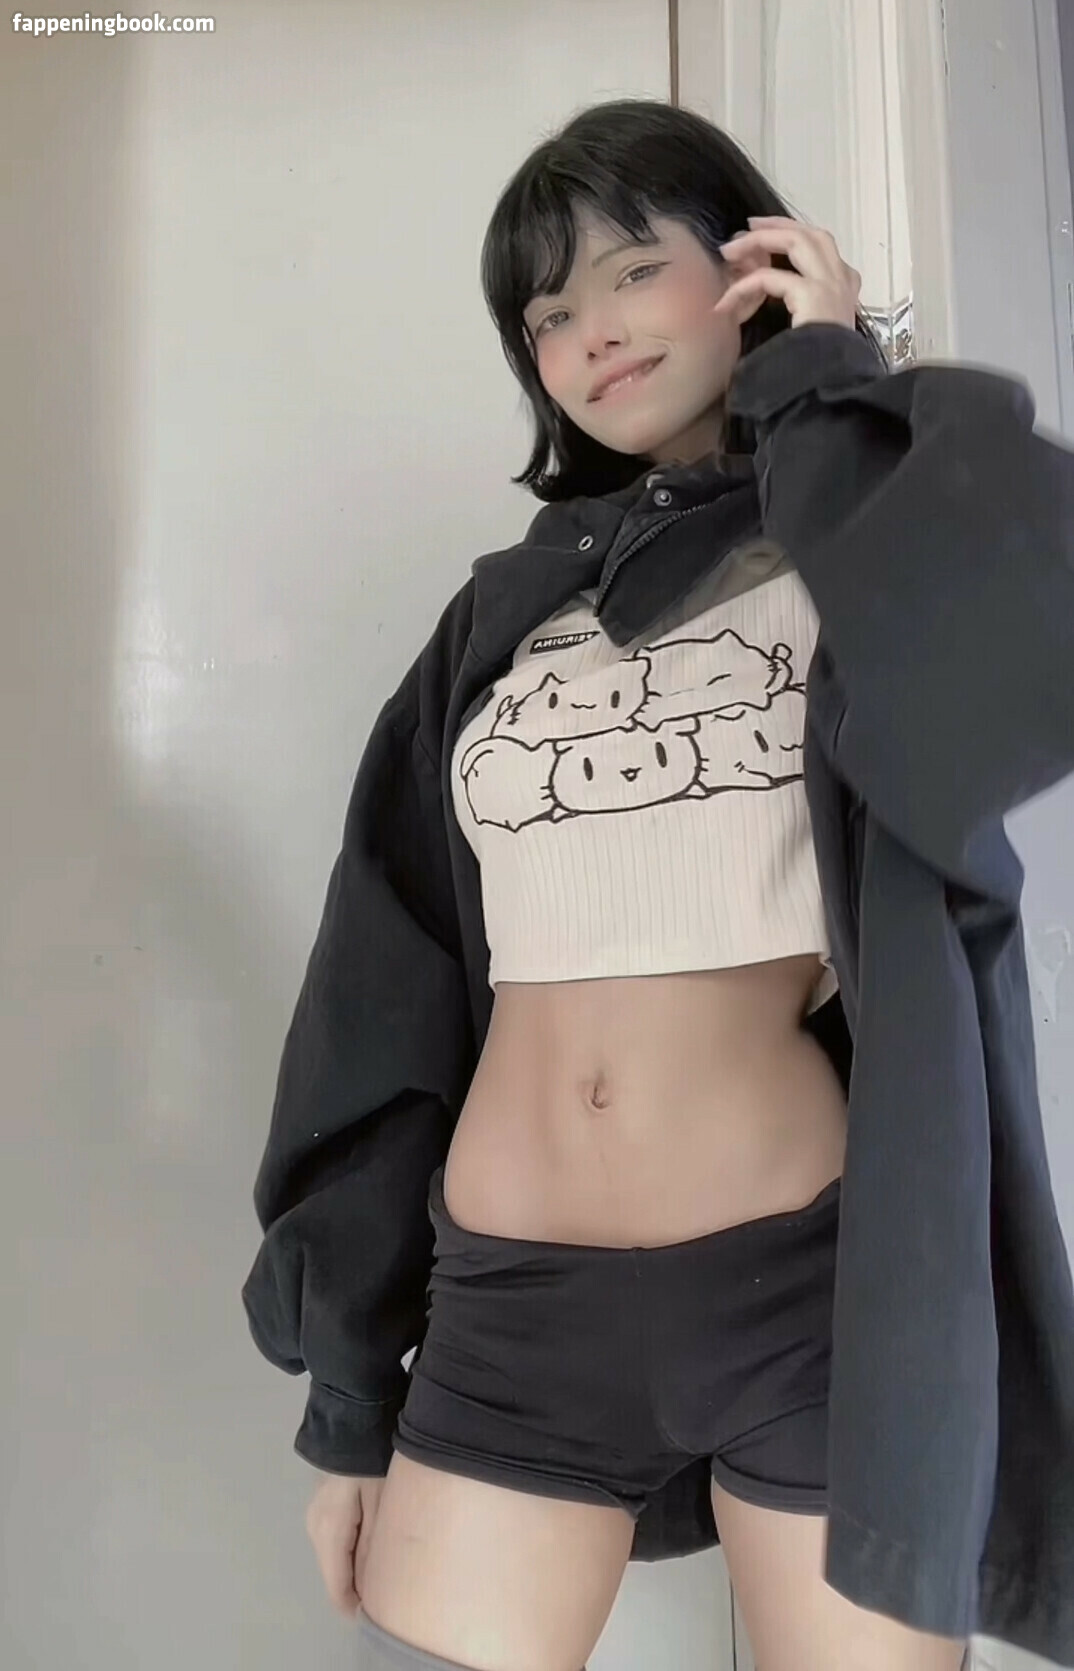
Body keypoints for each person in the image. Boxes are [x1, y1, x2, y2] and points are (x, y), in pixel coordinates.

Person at [246, 99, 1042, 1671]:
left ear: (749, 263)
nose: (591, 331)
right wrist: (349, 1401)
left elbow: (1018, 644)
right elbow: (379, 994)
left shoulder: (854, 542)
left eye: (628, 269)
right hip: (505, 1315)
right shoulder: (506, 620)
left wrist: (831, 381)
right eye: (547, 312)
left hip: (804, 1297)